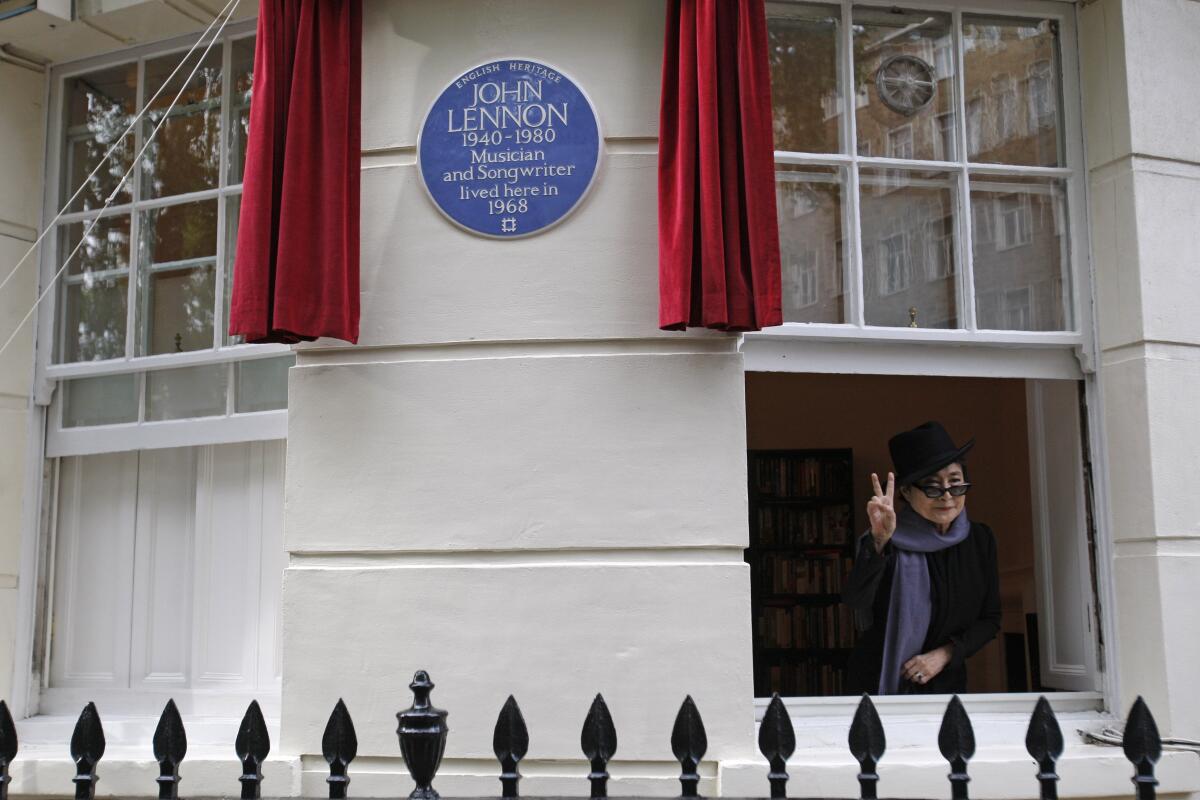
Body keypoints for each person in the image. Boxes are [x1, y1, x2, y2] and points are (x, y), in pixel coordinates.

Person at [842, 421, 1001, 695]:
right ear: (906, 492)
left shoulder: (979, 540)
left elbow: (990, 619)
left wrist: (945, 654)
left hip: (944, 684)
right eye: (932, 487)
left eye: (955, 482)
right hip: (876, 680)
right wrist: (879, 542)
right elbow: (856, 601)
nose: (948, 496)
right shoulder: (887, 537)